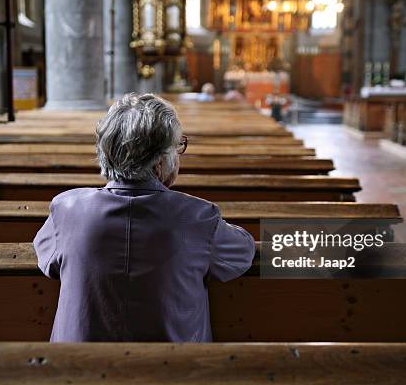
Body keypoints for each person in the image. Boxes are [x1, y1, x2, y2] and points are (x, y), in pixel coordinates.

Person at [33, 93, 255, 342]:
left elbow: (46, 259)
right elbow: (244, 252)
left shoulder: (66, 209)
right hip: (174, 370)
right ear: (160, 161)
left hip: (76, 372)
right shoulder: (198, 217)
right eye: (177, 146)